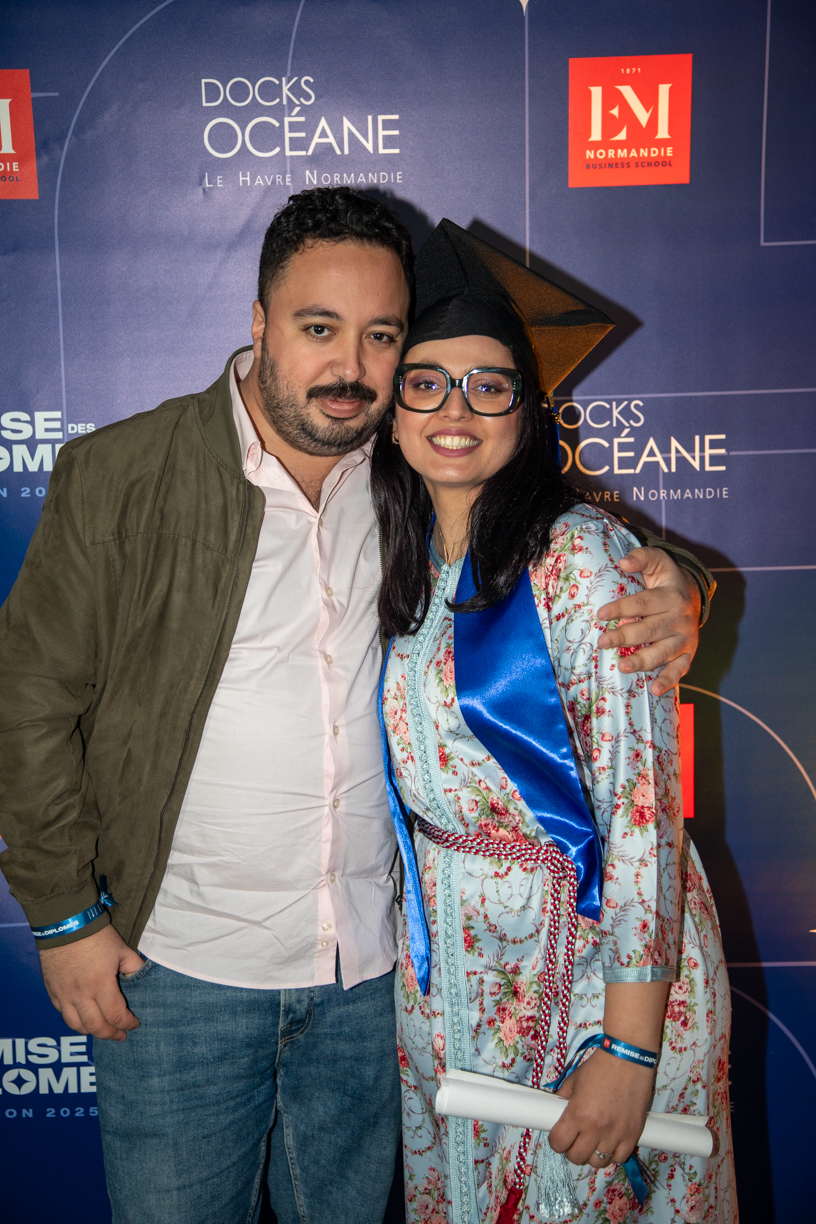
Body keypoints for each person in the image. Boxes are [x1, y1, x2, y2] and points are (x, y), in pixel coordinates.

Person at [0, 190, 710, 1224]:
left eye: (381, 336)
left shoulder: (401, 470)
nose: (351, 366)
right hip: (182, 970)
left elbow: (561, 556)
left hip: (373, 986)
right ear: (259, 324)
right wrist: (64, 917)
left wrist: (682, 584)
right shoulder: (124, 474)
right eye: (318, 327)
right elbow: (27, 700)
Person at [373, 220, 736, 1224]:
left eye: (488, 386)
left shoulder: (582, 561)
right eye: (426, 382)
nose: (456, 409)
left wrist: (628, 1048)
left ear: (527, 413)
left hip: (588, 976)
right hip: (454, 975)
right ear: (392, 413)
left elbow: (643, 817)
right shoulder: (395, 560)